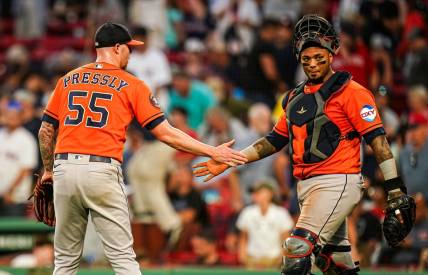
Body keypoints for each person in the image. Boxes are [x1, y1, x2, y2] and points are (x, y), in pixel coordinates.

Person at [193, 15, 415, 275]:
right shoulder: (294, 97)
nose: (312, 64)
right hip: (308, 188)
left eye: (319, 57)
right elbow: (273, 141)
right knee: (333, 262)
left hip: (338, 181)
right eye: (306, 58)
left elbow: (378, 142)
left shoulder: (354, 92)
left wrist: (395, 190)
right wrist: (232, 159)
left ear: (332, 53)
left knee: (297, 250)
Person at [38, 22, 247, 275]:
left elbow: (46, 131)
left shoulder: (68, 79)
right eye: (129, 48)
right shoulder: (131, 84)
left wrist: (49, 171)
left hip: (64, 168)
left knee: (64, 261)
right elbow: (165, 133)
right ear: (117, 48)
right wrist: (212, 151)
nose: (131, 53)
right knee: (124, 260)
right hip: (101, 169)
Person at [236, 181, 293, 269]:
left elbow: (285, 240)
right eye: (255, 193)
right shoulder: (247, 212)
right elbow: (243, 238)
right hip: (252, 261)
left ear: (270, 194)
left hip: (274, 261)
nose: (255, 195)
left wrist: (281, 259)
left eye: (259, 192)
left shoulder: (281, 213)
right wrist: (243, 258)